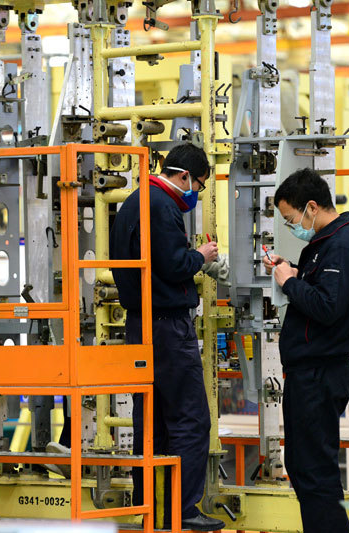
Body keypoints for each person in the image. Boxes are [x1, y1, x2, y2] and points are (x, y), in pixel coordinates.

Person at [110, 143, 226, 531]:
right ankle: (184, 509)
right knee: (191, 420)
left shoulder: (133, 202)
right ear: (185, 177)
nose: (197, 193)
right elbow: (175, 265)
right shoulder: (162, 206)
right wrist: (201, 256)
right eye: (200, 185)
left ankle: (152, 508)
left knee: (151, 423)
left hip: (139, 324)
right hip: (169, 326)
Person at [262, 168, 349, 533]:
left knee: (314, 472)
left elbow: (327, 306)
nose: (292, 227)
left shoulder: (341, 245)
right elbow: (323, 290)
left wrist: (291, 284)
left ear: (311, 207)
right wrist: (293, 272)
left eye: (291, 219)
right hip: (309, 373)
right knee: (305, 468)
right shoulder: (327, 243)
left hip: (319, 374)